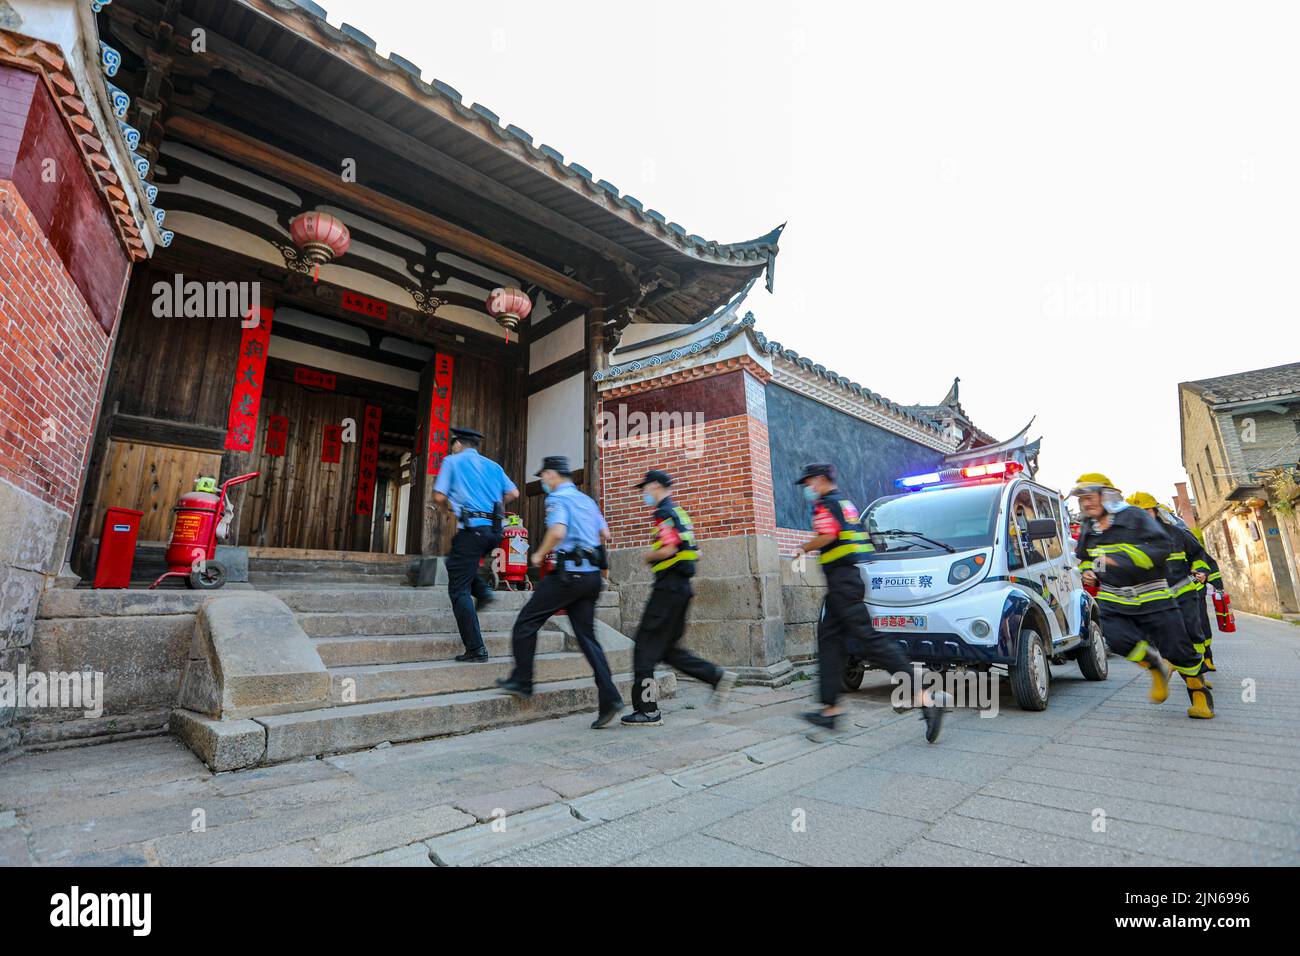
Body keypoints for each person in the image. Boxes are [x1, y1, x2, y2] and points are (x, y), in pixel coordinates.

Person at [794, 463, 948, 742]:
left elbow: (829, 535)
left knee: (871, 640)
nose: (808, 489)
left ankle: (925, 698)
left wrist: (803, 548)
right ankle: (830, 709)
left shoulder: (826, 504)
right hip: (845, 581)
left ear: (819, 480)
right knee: (830, 640)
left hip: (843, 583)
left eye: (808, 483)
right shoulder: (843, 502)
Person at [496, 456, 624, 729]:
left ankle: (523, 680)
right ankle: (610, 695)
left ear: (553, 474)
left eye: (543, 476)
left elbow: (558, 530)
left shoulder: (557, 499)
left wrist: (539, 554)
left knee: (526, 622)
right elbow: (606, 534)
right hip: (591, 578)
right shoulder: (587, 501)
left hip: (568, 574)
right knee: (588, 638)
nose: (543, 481)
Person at [1071, 474, 1212, 719]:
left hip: (1153, 595)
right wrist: (1090, 572)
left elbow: (1161, 549)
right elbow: (1086, 558)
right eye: (1082, 499)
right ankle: (1155, 667)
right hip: (1114, 598)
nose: (1086, 503)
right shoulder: (1088, 528)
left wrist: (1118, 560)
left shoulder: (1135, 517)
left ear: (1107, 495)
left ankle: (1198, 692)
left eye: (1090, 497)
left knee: (1177, 649)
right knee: (1117, 640)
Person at [621, 470, 737, 727]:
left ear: (654, 486)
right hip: (682, 589)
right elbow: (697, 553)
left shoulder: (663, 512)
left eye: (645, 489)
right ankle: (715, 676)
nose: (644, 494)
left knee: (643, 648)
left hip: (667, 589)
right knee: (668, 651)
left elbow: (670, 548)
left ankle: (647, 710)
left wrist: (648, 556)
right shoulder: (681, 513)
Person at [432, 427, 518, 663]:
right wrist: (494, 506)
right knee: (457, 565)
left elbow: (438, 496)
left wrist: (452, 505)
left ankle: (476, 648)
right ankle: (483, 591)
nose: (452, 448)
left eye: (453, 444)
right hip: (494, 532)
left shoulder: (452, 462)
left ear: (458, 443)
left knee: (458, 590)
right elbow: (514, 492)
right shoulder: (493, 466)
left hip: (472, 531)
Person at [1126, 492, 1214, 685]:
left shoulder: (1177, 533)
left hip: (1183, 592)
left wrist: (1200, 569)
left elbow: (1198, 553)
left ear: (1154, 511)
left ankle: (1198, 674)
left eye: (1145, 511)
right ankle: (1179, 668)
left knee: (1192, 633)